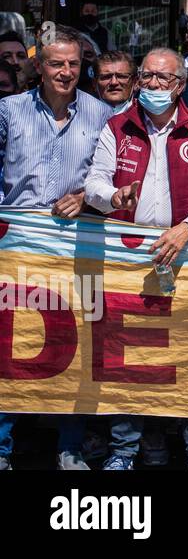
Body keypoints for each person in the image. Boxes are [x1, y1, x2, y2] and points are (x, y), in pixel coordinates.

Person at [83, 47, 188, 470]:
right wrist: (113, 196)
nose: (154, 86)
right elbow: (94, 182)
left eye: (164, 79)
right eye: (146, 77)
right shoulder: (118, 127)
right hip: (129, 261)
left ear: (180, 85)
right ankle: (125, 450)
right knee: (126, 357)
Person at [0, 29, 113, 471]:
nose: (65, 72)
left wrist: (86, 193)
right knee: (11, 342)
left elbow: (108, 175)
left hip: (75, 245)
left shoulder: (102, 114)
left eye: (72, 64)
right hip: (16, 247)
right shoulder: (7, 111)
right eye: (55, 64)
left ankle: (70, 445)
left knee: (74, 342)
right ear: (39, 67)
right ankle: (3, 447)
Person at [94, 51, 137, 115]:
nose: (114, 82)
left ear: (135, 82)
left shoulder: (148, 115)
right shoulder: (84, 114)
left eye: (121, 76)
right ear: (94, 83)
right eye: (106, 77)